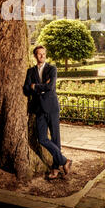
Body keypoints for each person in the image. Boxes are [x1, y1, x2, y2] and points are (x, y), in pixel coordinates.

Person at [23, 45, 72, 179]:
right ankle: (65, 161)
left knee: (56, 139)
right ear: (35, 56)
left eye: (44, 54)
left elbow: (50, 87)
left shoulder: (52, 69)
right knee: (42, 139)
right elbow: (26, 89)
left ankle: (55, 169)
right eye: (39, 54)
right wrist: (40, 87)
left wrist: (35, 86)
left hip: (52, 108)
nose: (42, 56)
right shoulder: (30, 71)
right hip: (39, 109)